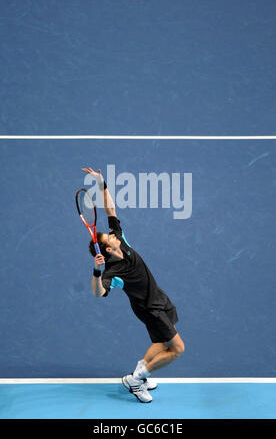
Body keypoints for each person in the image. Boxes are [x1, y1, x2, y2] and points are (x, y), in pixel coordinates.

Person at [82, 167, 185, 403]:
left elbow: (110, 208)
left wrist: (101, 183)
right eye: (110, 238)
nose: (113, 234)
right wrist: (97, 272)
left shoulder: (121, 240)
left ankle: (140, 372)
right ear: (108, 249)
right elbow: (98, 293)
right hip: (150, 309)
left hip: (159, 297)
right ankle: (137, 379)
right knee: (177, 349)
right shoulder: (112, 271)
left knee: (161, 342)